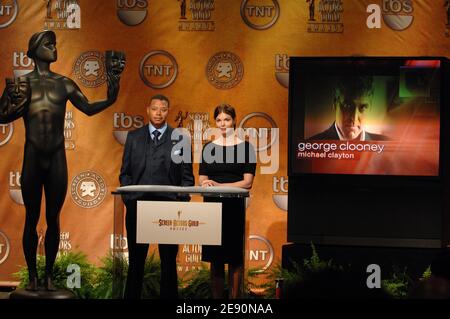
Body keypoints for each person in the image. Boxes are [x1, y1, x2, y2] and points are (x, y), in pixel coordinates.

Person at [0, 30, 123, 291]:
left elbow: (88, 108)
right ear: (34, 51)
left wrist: (111, 97)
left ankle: (48, 277)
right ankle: (33, 277)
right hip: (33, 158)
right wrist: (13, 102)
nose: (54, 47)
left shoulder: (64, 83)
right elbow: (2, 116)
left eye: (55, 43)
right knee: (31, 218)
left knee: (54, 218)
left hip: (56, 158)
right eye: (48, 44)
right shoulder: (21, 83)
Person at [119, 94, 194, 299]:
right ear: (148, 110)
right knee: (136, 262)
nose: (158, 113)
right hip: (138, 206)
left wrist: (181, 203)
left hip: (169, 208)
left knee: (169, 263)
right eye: (154, 109)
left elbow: (187, 177)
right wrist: (130, 200)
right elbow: (124, 173)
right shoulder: (134, 137)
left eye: (162, 109)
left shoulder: (181, 139)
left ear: (167, 111)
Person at [199, 104, 256, 299]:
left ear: (234, 121)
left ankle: (233, 303)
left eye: (227, 119)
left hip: (234, 207)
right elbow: (202, 179)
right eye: (219, 120)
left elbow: (247, 182)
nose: (223, 124)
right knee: (215, 260)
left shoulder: (246, 147)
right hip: (212, 208)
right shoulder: (208, 148)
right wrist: (208, 184)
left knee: (234, 259)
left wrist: (221, 186)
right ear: (215, 123)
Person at [309, 76, 389, 141]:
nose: (354, 118)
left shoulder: (386, 143)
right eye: (347, 106)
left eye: (363, 107)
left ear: (370, 107)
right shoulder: (311, 144)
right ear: (335, 104)